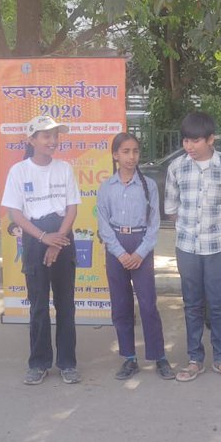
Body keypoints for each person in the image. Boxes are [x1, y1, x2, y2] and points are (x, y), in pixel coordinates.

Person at [164, 111, 221, 382]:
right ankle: (194, 359)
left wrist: (219, 232)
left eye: (195, 141)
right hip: (186, 247)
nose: (189, 146)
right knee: (192, 304)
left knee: (219, 304)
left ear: (211, 139)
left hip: (218, 247)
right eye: (186, 140)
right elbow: (172, 209)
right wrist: (192, 230)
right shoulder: (176, 168)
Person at [0, 115, 80, 386]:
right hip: (36, 239)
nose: (53, 141)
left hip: (62, 236)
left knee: (66, 305)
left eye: (55, 135)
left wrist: (57, 242)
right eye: (46, 136)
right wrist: (44, 238)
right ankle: (39, 363)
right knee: (38, 306)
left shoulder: (64, 169)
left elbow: (72, 209)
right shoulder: (19, 172)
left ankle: (68, 363)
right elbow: (16, 214)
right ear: (32, 140)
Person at [96, 133, 174, 381]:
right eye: (126, 152)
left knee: (149, 305)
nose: (131, 157)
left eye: (135, 151)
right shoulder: (106, 187)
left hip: (141, 246)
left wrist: (140, 253)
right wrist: (120, 253)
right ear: (115, 155)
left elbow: (154, 223)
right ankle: (129, 357)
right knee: (121, 306)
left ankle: (159, 356)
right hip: (116, 246)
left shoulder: (148, 185)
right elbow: (103, 224)